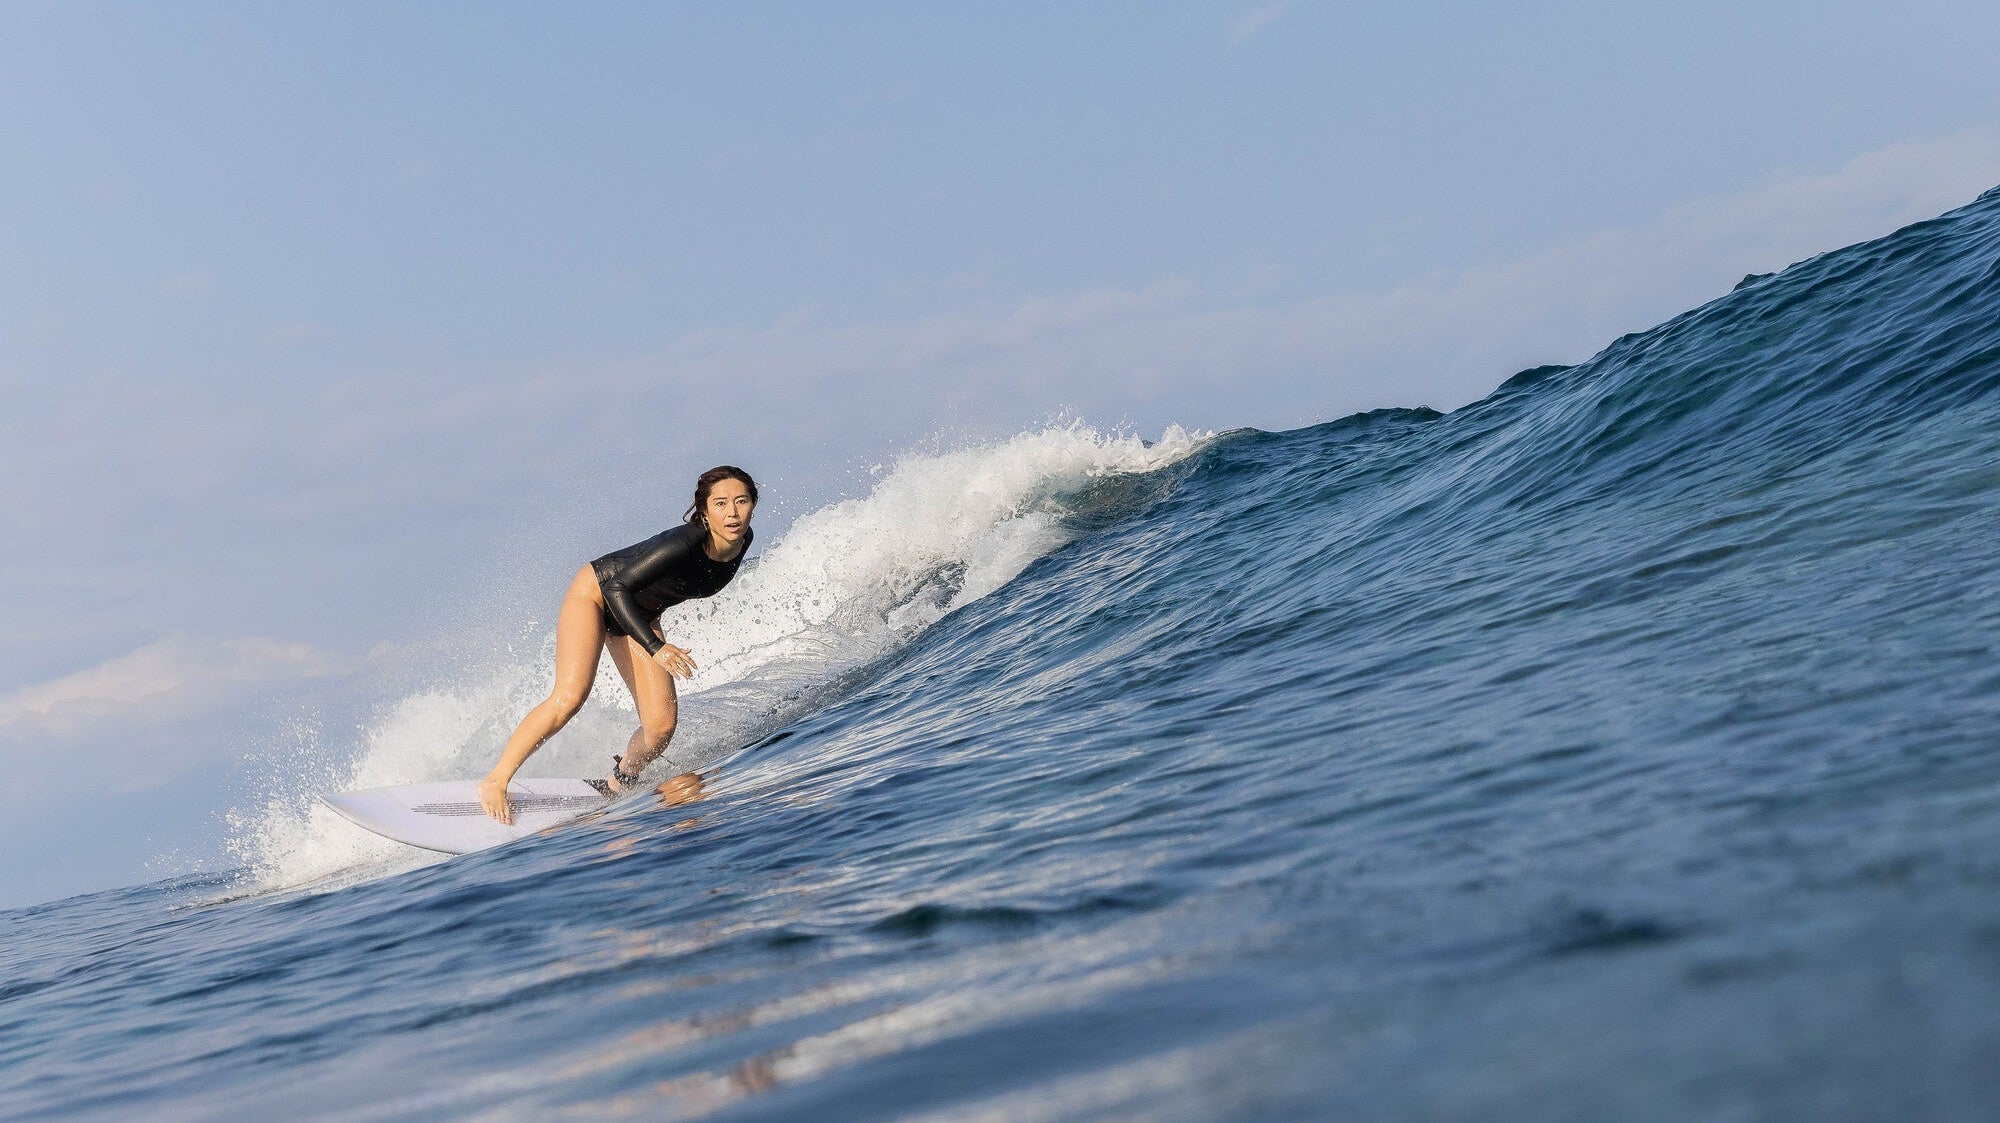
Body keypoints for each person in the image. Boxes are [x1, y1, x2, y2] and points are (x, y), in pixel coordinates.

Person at [478, 466, 758, 823]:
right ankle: (496, 780)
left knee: (659, 729)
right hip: (595, 596)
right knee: (569, 698)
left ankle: (620, 779)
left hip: (637, 613)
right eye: (720, 503)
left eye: (741, 501)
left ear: (753, 505)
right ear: (704, 511)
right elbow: (616, 589)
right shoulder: (684, 544)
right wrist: (657, 648)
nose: (732, 512)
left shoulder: (742, 539)